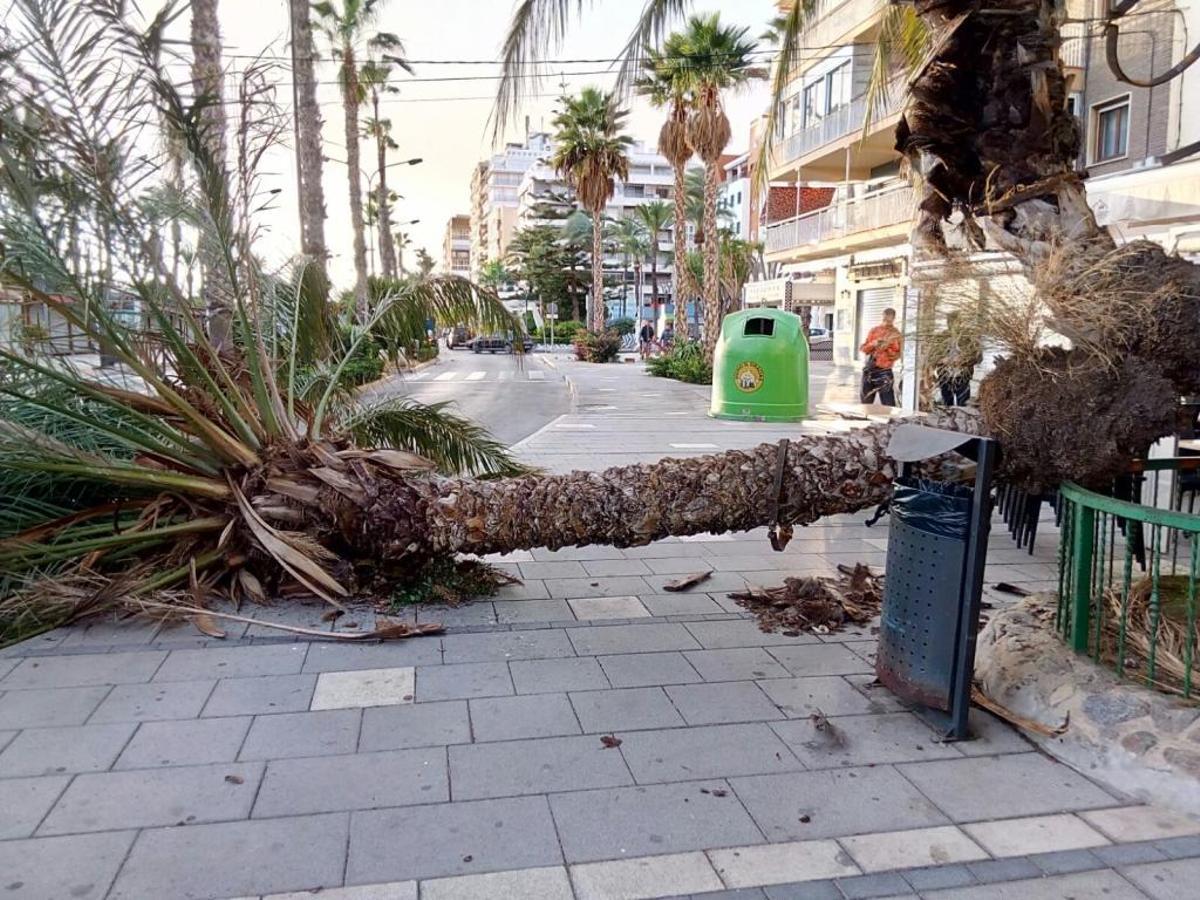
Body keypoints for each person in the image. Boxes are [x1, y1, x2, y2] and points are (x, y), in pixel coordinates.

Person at [929, 311, 982, 406]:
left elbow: (978, 357)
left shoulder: (968, 338)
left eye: (956, 322)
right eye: (950, 322)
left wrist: (965, 360)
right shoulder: (940, 337)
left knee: (963, 405)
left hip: (963, 375)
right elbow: (932, 357)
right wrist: (942, 360)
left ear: (961, 322)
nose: (953, 325)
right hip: (944, 375)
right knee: (946, 406)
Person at [859, 307, 902, 406]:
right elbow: (863, 349)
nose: (886, 321)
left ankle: (889, 421)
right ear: (882, 316)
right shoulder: (874, 330)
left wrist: (886, 348)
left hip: (884, 372)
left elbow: (897, 355)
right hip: (869, 370)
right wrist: (873, 344)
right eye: (884, 319)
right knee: (865, 403)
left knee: (888, 405)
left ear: (893, 318)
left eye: (889, 319)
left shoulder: (896, 334)